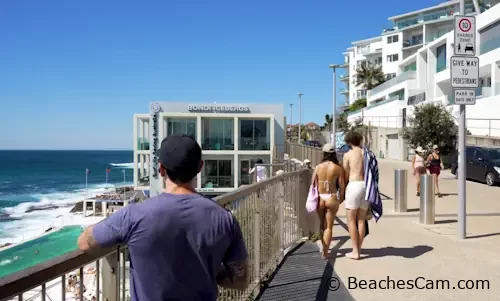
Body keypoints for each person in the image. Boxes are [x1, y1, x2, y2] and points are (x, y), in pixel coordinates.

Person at [77, 134, 249, 301]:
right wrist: (209, 268)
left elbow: (84, 243)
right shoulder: (224, 218)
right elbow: (240, 280)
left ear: (161, 169)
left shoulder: (134, 215)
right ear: (200, 167)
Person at [311, 143, 345, 259]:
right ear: (334, 153)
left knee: (322, 224)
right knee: (329, 226)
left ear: (324, 153)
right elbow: (342, 185)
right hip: (331, 197)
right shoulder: (338, 168)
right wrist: (341, 198)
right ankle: (325, 252)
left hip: (320, 197)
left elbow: (313, 184)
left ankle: (322, 248)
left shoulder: (318, 167)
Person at [342, 131, 369, 260]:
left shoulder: (348, 155)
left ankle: (355, 251)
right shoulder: (367, 153)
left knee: (351, 219)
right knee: (361, 219)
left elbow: (346, 173)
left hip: (354, 185)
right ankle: (359, 248)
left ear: (349, 141)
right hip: (366, 186)